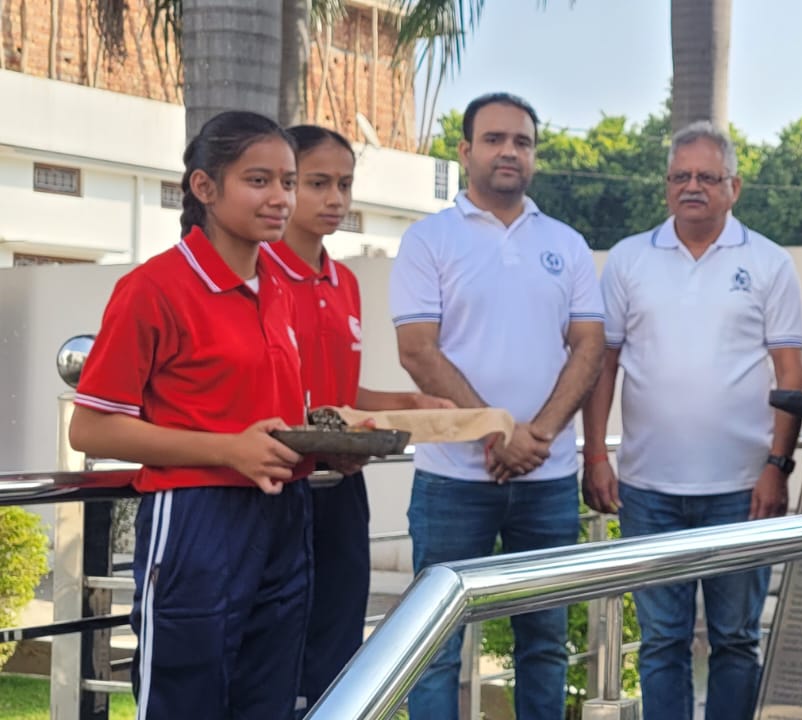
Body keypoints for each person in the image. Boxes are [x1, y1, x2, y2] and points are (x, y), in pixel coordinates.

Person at [68, 110, 313, 719]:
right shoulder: (153, 288)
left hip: (285, 513)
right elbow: (91, 427)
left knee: (269, 702)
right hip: (196, 517)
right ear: (205, 187)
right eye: (258, 180)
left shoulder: (278, 287)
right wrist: (229, 449)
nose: (281, 198)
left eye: (288, 182)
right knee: (185, 700)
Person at [389, 91, 605, 720]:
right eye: (494, 139)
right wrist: (496, 430)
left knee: (545, 642)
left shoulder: (566, 242)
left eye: (522, 141)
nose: (509, 151)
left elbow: (589, 347)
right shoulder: (428, 240)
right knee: (433, 647)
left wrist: (537, 434)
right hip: (452, 479)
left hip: (548, 477)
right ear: (465, 151)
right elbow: (417, 350)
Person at [581, 121, 802, 720]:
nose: (692, 187)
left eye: (707, 176)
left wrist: (777, 467)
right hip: (648, 490)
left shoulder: (769, 262)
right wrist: (595, 455)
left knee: (735, 640)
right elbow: (603, 366)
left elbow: (791, 375)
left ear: (734, 186)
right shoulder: (629, 259)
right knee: (661, 644)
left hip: (742, 489)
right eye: (680, 176)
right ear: (666, 186)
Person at [261, 124, 455, 714]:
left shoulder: (343, 280)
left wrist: (411, 406)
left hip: (342, 485)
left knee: (340, 640)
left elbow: (338, 397)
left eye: (344, 185)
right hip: (276, 485)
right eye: (317, 183)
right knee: (274, 647)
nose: (335, 199)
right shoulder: (258, 273)